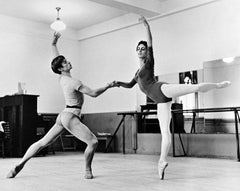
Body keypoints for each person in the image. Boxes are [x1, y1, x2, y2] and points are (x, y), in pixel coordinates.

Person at [115, 16, 231, 180]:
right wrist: (115, 83)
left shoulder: (149, 62)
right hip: (160, 102)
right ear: (136, 52)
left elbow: (150, 42)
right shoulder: (136, 74)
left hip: (162, 89)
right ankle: (162, 162)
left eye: (143, 48)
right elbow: (128, 85)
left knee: (194, 87)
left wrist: (146, 24)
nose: (141, 50)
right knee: (166, 133)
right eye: (138, 49)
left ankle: (218, 85)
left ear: (146, 52)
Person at [6, 32, 116, 179]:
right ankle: (87, 170)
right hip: (70, 116)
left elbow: (56, 60)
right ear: (61, 69)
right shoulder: (74, 82)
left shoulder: (62, 78)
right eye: (64, 63)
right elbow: (94, 93)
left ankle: (18, 166)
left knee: (42, 142)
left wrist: (54, 44)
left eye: (66, 60)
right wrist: (108, 86)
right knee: (94, 142)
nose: (67, 62)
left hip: (63, 115)